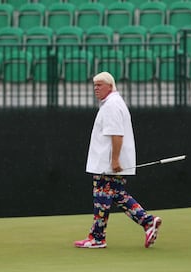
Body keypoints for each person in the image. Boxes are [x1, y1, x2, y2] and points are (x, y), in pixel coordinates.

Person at [74, 72, 162, 249]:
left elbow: (117, 135)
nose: (96, 88)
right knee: (117, 195)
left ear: (109, 86)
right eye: (94, 85)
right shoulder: (112, 103)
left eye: (99, 85)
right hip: (108, 162)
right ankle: (147, 222)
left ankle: (98, 238)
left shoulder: (111, 106)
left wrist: (114, 160)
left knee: (102, 198)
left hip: (107, 164)